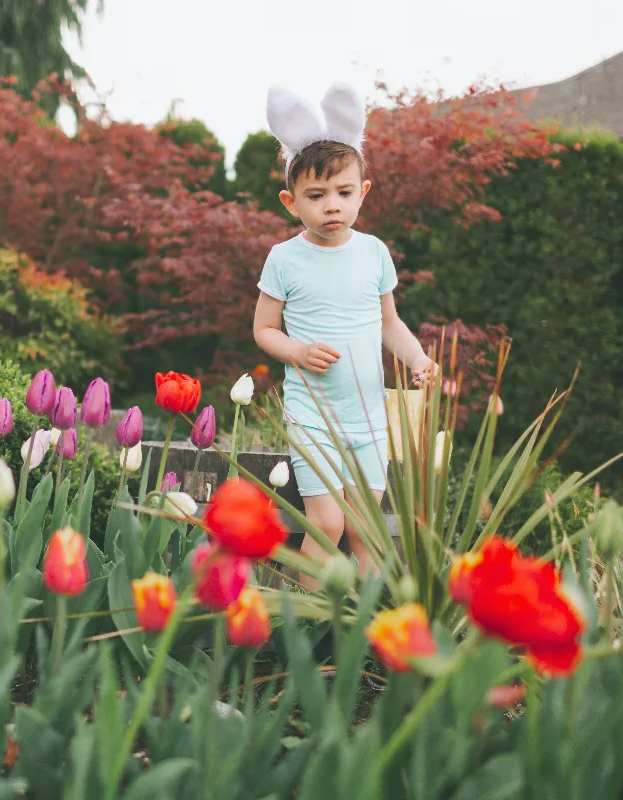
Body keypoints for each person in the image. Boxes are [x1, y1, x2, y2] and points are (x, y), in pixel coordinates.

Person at [252, 83, 438, 588]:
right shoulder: (285, 259)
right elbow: (264, 329)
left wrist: (418, 359)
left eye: (344, 192)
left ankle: (365, 629)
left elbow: (389, 323)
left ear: (364, 192)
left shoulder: (374, 252)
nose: (331, 206)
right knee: (327, 522)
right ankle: (307, 626)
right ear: (292, 202)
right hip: (314, 415)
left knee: (365, 529)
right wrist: (297, 350)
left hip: (368, 416)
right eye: (316, 196)